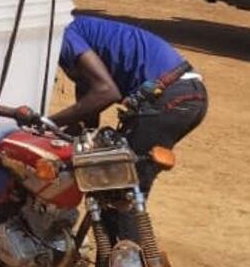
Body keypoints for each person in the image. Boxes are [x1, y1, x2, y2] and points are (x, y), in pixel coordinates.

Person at [51, 15, 208, 241]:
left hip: (171, 97)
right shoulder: (81, 35)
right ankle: (112, 265)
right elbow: (87, 115)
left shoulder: (64, 34)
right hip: (186, 95)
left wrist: (48, 122)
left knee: (122, 188)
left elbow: (106, 92)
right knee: (108, 183)